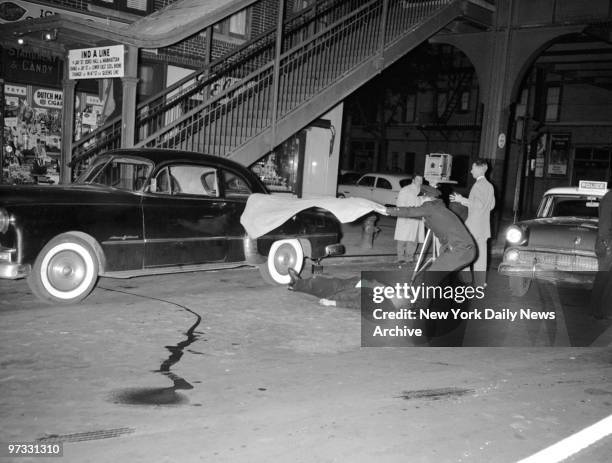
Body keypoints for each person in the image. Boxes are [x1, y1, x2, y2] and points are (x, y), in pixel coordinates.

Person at [386, 185, 476, 279]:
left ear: (426, 198)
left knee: (431, 278)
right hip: (465, 249)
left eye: (420, 198)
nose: (420, 201)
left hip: (459, 250)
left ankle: (422, 292)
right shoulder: (439, 207)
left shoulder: (430, 207)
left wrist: (387, 210)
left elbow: (409, 211)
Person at [450, 159, 495, 286]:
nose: (471, 171)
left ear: (480, 168)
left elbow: (479, 205)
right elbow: (491, 206)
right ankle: (480, 283)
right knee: (481, 256)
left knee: (466, 251)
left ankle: (466, 278)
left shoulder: (478, 185)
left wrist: (461, 199)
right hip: (484, 227)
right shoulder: (490, 186)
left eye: (473, 168)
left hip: (473, 226)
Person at [591, 188, 612, 319]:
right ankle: (598, 310)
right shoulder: (610, 198)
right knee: (604, 278)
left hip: (607, 243)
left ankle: (601, 310)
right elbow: (604, 223)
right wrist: (606, 244)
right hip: (608, 244)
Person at [394, 174, 424, 264]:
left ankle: (409, 257)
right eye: (418, 180)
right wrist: (406, 212)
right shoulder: (405, 190)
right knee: (402, 238)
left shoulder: (422, 191)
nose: (420, 182)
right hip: (406, 216)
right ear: (413, 180)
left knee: (413, 239)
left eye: (421, 180)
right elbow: (400, 203)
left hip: (417, 217)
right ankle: (400, 257)